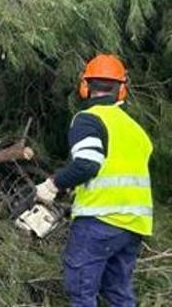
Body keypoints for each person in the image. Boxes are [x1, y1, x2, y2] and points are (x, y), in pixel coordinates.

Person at [35, 54, 153, 307]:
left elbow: (88, 164)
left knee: (81, 292)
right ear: (123, 88)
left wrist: (52, 185)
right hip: (133, 225)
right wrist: (73, 194)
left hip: (100, 222)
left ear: (85, 86)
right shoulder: (135, 130)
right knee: (117, 291)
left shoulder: (88, 119)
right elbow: (112, 172)